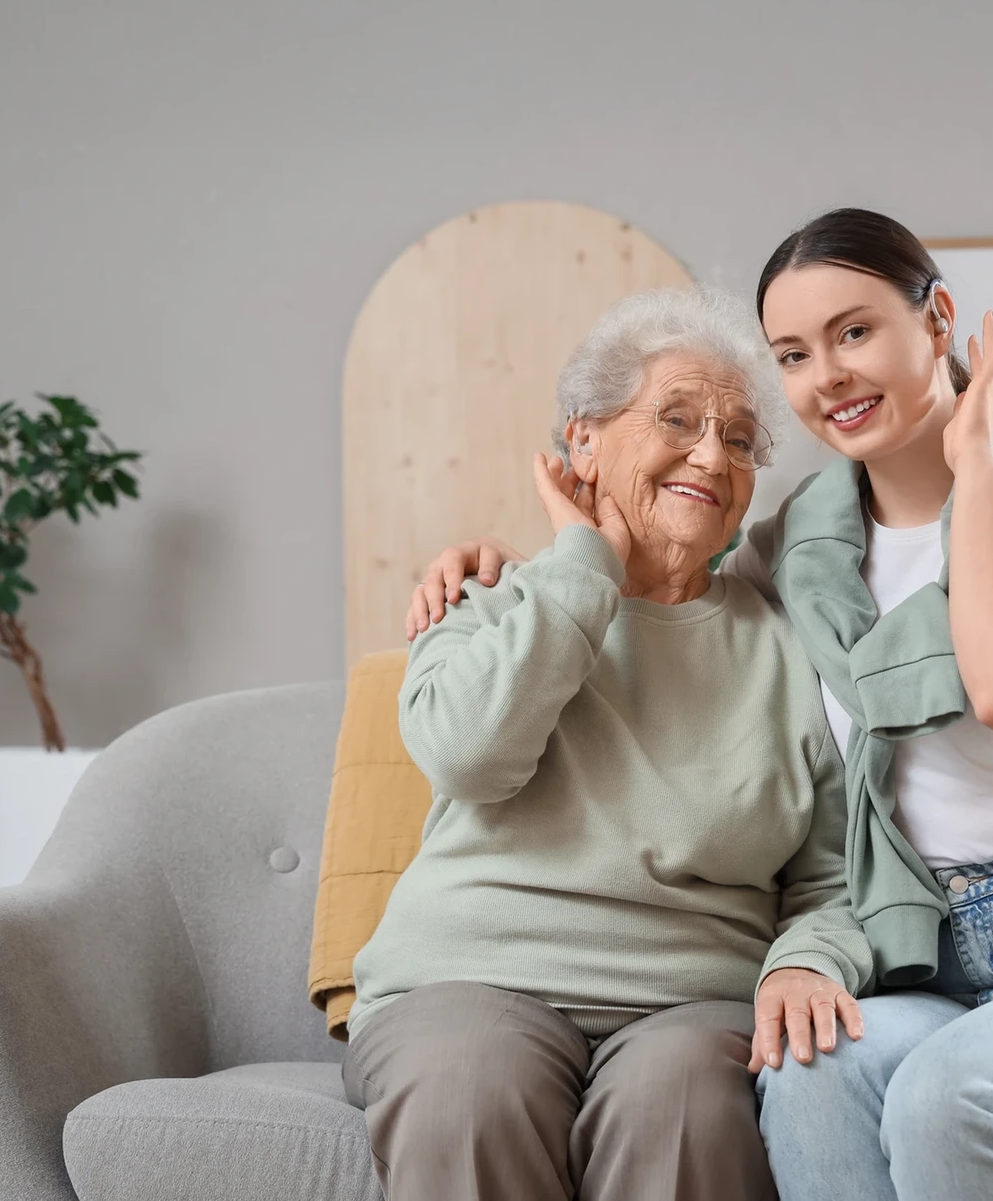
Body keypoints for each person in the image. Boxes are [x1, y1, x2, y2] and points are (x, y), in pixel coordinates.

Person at [407, 209, 993, 1201]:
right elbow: (667, 585)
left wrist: (974, 463)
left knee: (951, 1103)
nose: (829, 375)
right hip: (917, 954)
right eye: (795, 355)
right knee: (804, 1074)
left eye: (855, 332)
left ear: (936, 319)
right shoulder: (800, 547)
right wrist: (510, 568)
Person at [347, 286, 871, 1201]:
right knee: (467, 1096)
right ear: (582, 440)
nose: (712, 454)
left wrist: (810, 958)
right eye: (677, 419)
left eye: (740, 439)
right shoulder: (484, 602)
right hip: (467, 980)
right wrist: (582, 570)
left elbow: (830, 877)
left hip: (690, 1004)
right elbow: (470, 754)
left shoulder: (789, 646)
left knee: (687, 1113)